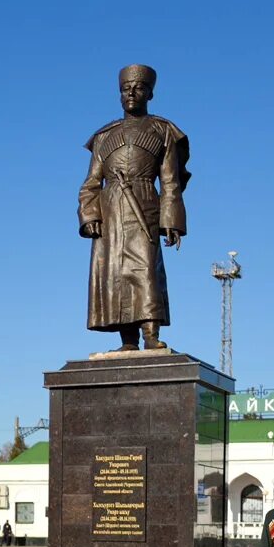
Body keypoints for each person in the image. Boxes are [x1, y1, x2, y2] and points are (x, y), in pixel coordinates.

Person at [77, 64, 190, 352]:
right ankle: (128, 340)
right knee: (115, 273)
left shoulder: (163, 131)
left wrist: (172, 220)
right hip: (111, 209)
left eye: (138, 87)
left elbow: (170, 181)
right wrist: (90, 214)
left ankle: (151, 334)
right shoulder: (104, 136)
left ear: (150, 93)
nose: (131, 93)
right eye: (125, 89)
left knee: (145, 270)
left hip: (144, 202)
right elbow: (91, 182)